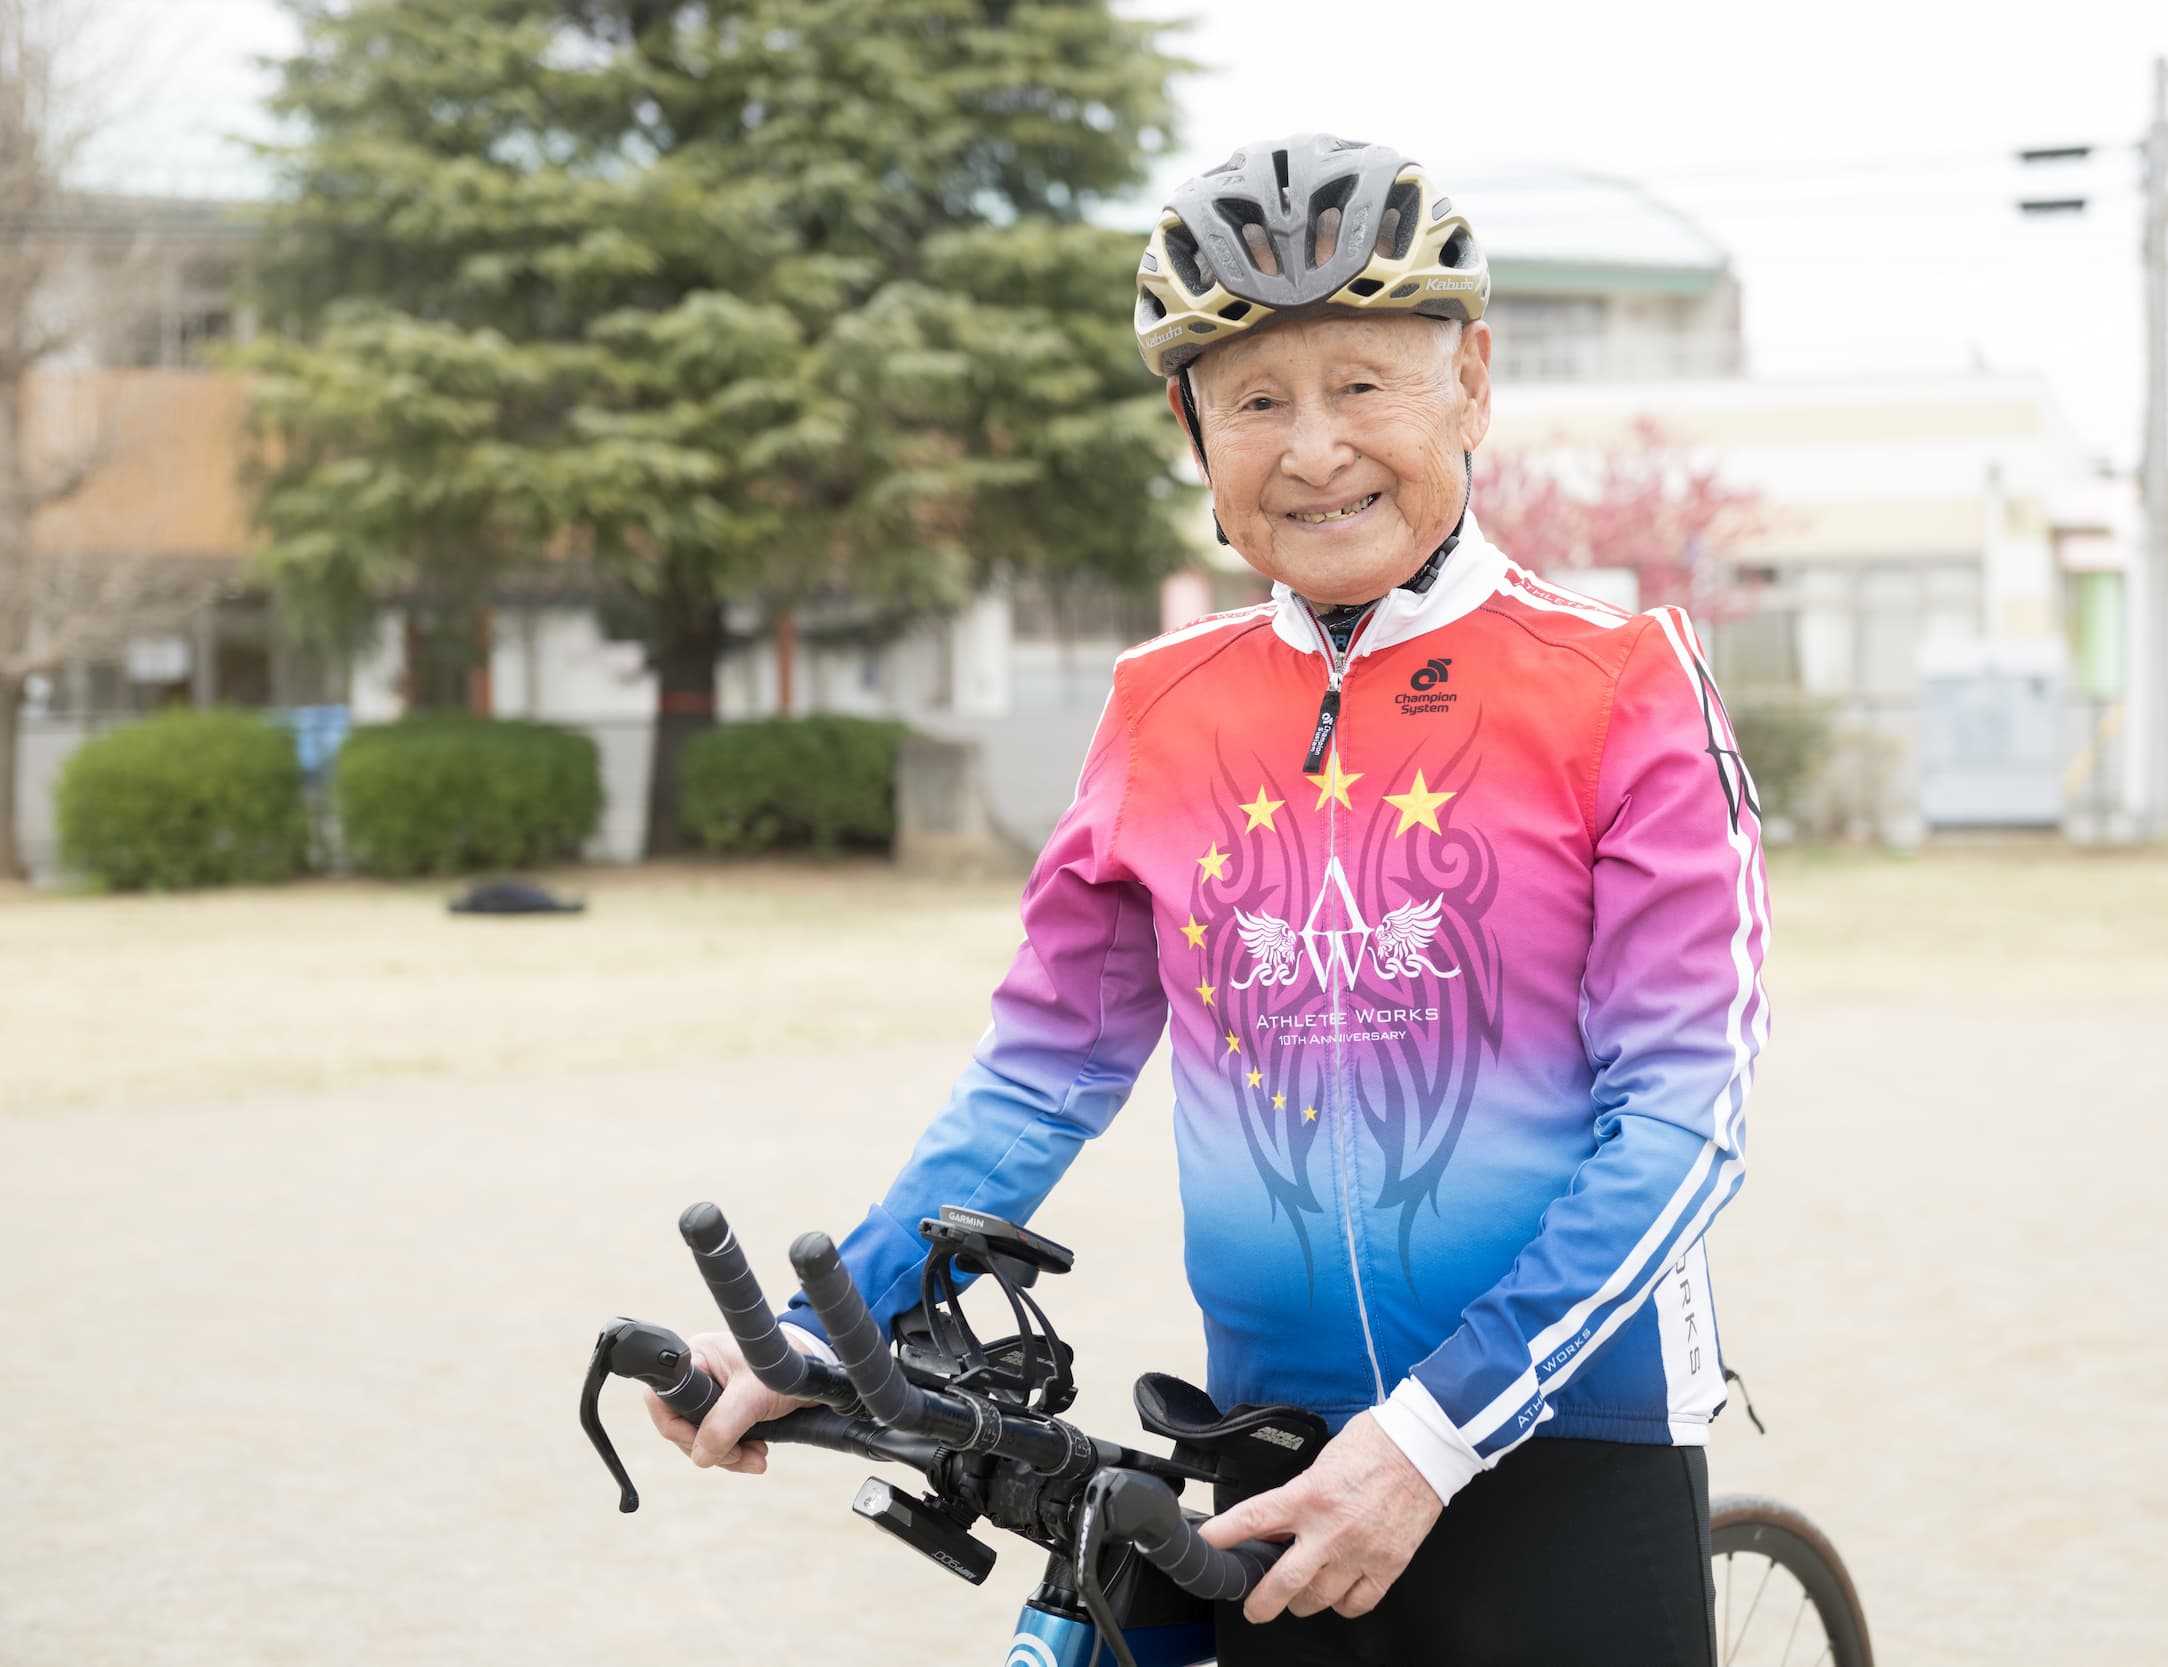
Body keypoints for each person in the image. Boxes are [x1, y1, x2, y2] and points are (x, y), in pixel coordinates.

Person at [646, 133, 1768, 1665]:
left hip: (1564, 1441)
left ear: (1471, 383)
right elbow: (1044, 1071)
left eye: (1363, 384)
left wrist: (1429, 1437)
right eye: (1255, 401)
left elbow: (1683, 1118)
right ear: (1191, 428)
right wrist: (822, 1334)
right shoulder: (1159, 708)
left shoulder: (1623, 684)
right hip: (1270, 1451)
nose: (1314, 450)